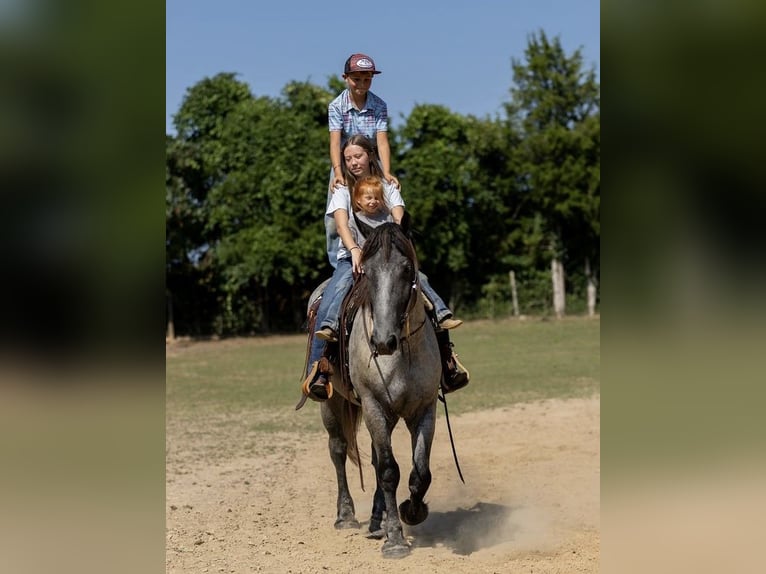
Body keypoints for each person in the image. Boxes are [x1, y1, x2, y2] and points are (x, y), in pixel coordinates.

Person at [302, 136, 468, 400]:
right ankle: (319, 368)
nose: (353, 162)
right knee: (333, 294)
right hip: (353, 257)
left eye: (358, 156)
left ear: (370, 155)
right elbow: (342, 225)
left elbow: (399, 214)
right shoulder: (342, 189)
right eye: (347, 158)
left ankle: (447, 360)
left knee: (420, 283)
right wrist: (355, 250)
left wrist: (398, 235)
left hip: (388, 259)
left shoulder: (387, 186)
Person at [324, 53, 400, 268]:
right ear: (346, 78)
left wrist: (386, 171)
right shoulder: (336, 106)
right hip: (345, 162)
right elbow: (334, 141)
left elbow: (382, 141)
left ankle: (389, 253)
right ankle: (339, 263)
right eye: (357, 79)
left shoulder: (379, 105)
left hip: (372, 160)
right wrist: (338, 172)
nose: (362, 84)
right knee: (333, 219)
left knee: (381, 202)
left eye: (367, 79)